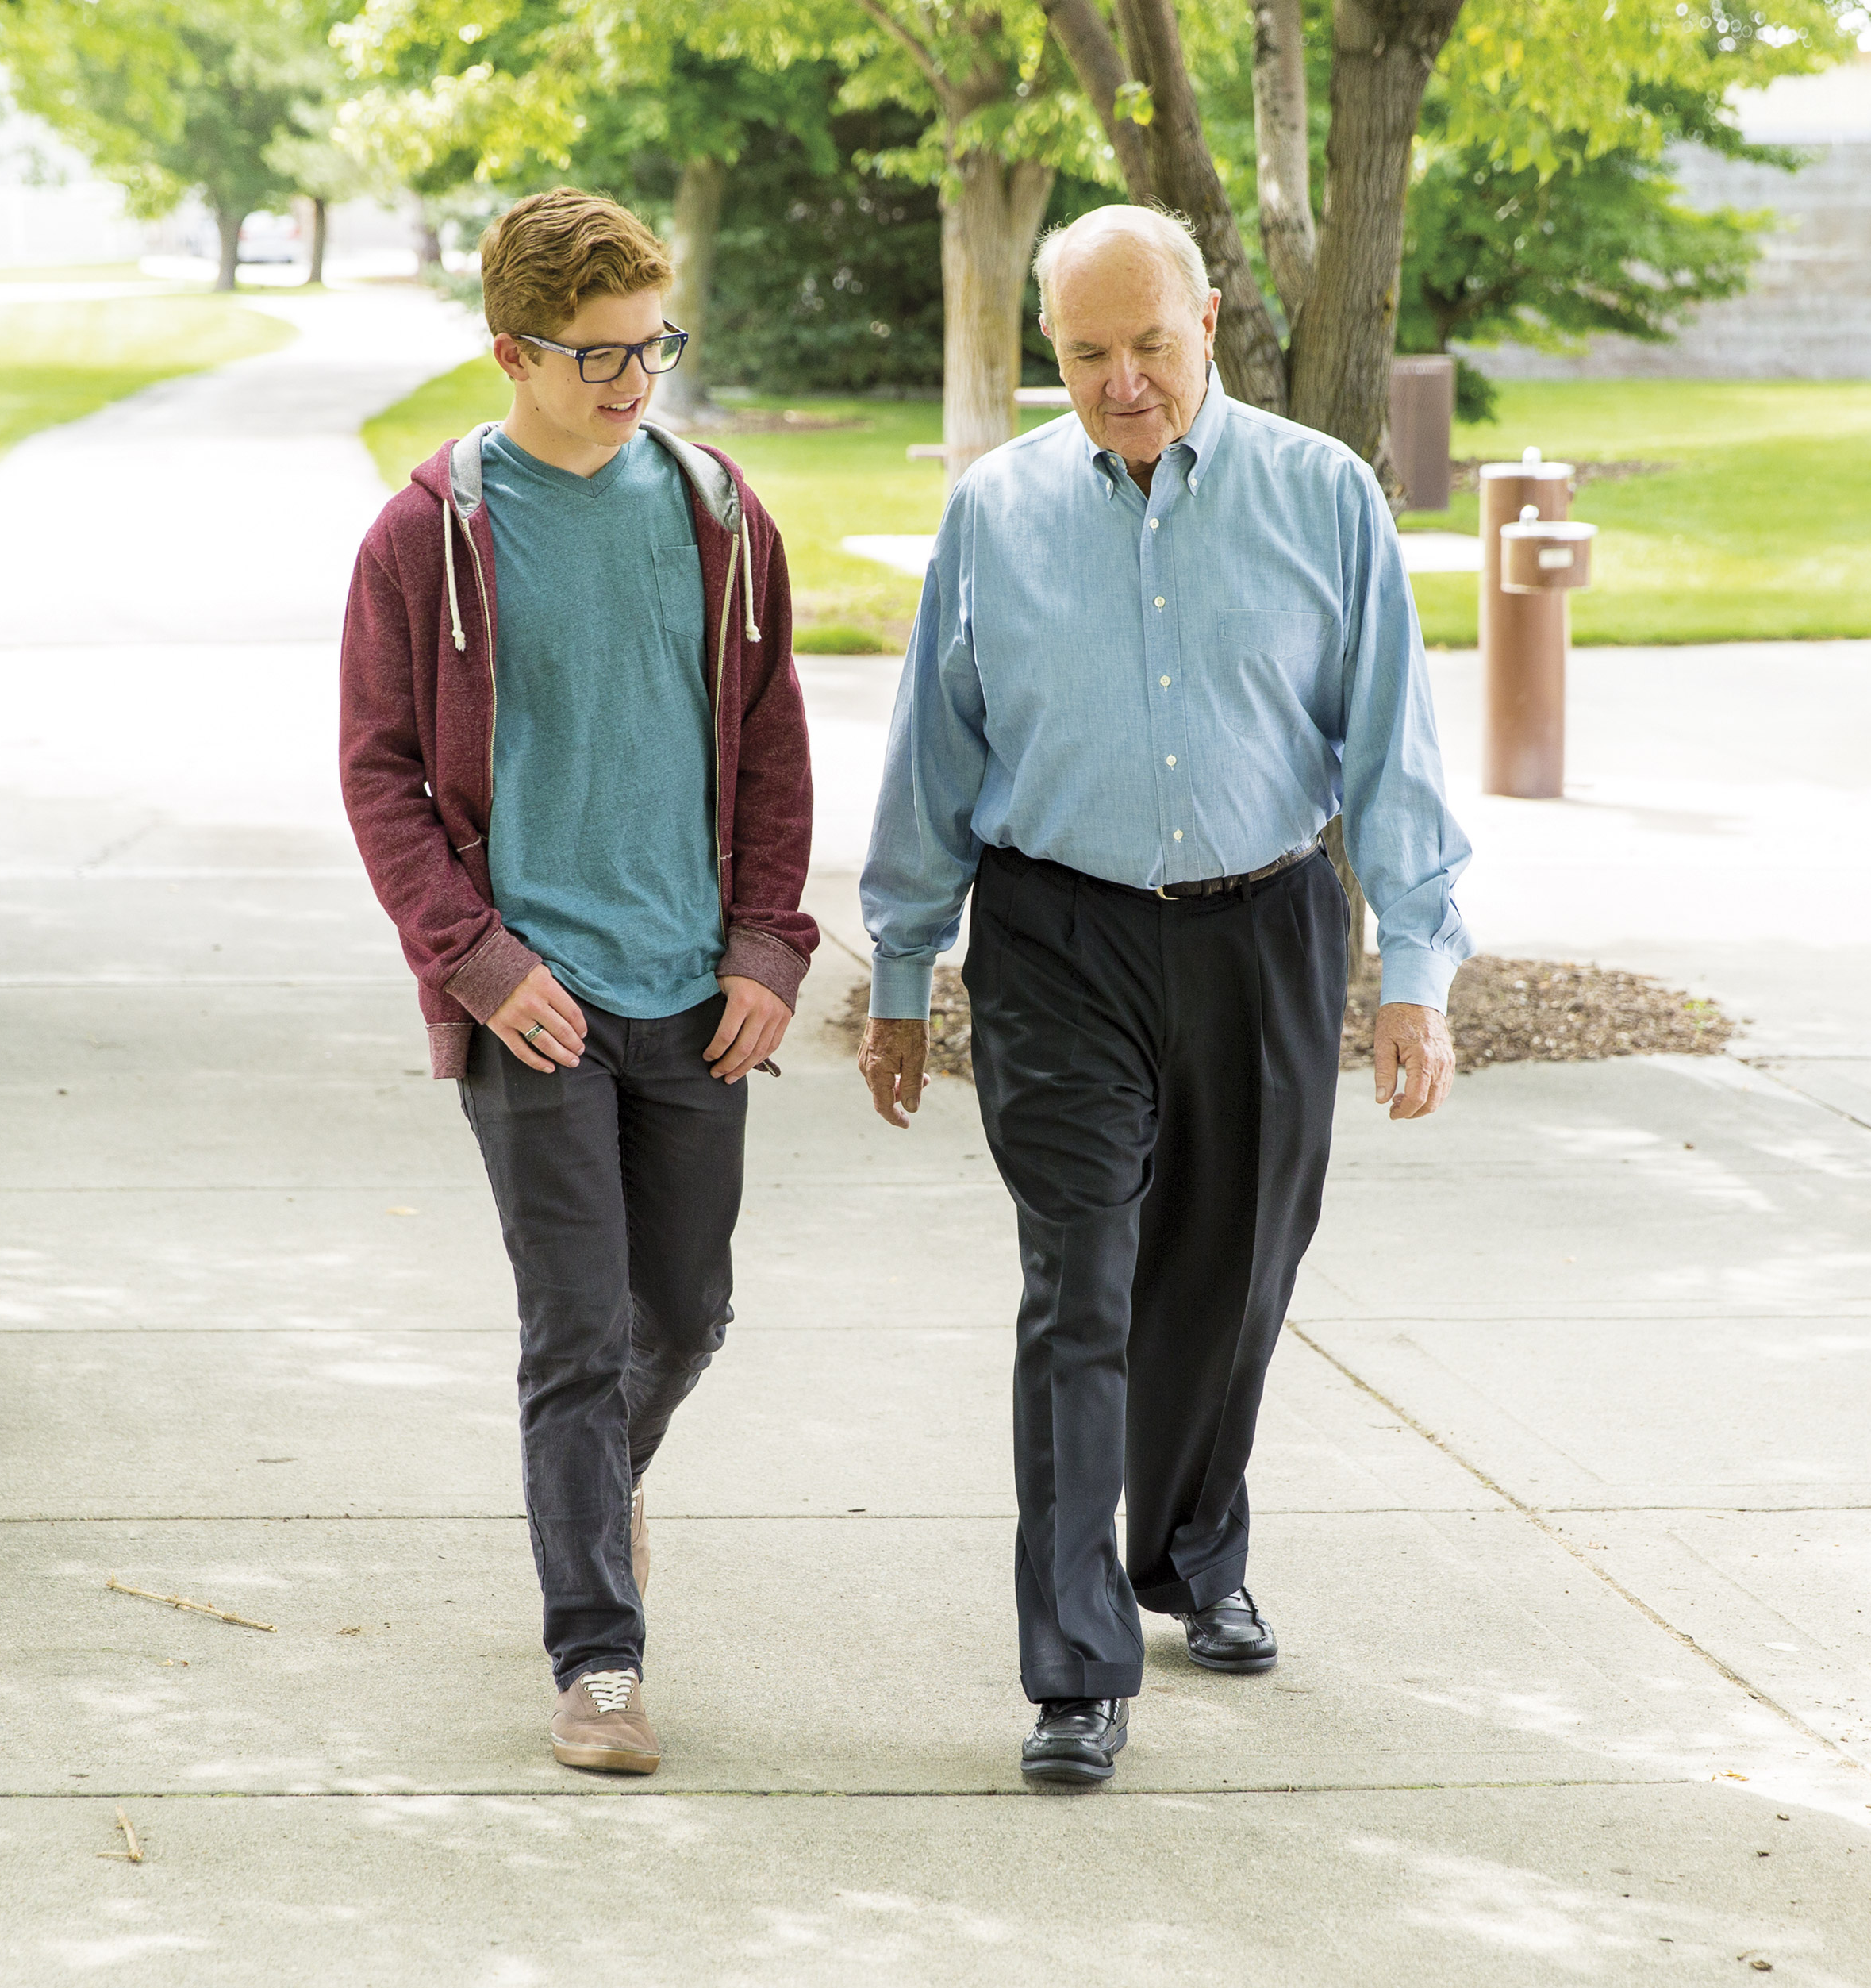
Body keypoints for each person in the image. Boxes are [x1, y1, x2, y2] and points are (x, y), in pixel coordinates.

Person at [856, 204, 1473, 1790]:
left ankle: (1194, 1545)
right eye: (1083, 354)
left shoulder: (1324, 496)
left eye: (1149, 344)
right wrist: (904, 971)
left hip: (1264, 924)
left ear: (1208, 316)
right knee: (1081, 1281)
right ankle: (1073, 1663)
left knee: (1230, 1272)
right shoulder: (992, 514)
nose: (1122, 380)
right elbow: (937, 749)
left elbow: (1388, 746)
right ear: (1045, 349)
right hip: (1058, 937)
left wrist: (1415, 969)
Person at [340, 187, 816, 1776]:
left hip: (692, 987)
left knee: (683, 1311)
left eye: (653, 344)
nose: (635, 379)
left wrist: (767, 943)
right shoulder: (430, 535)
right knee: (575, 1329)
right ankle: (596, 1657)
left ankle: (593, 1503)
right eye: (602, 354)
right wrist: (475, 961)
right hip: (532, 998)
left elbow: (770, 750)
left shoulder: (717, 512)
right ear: (511, 351)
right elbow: (383, 775)